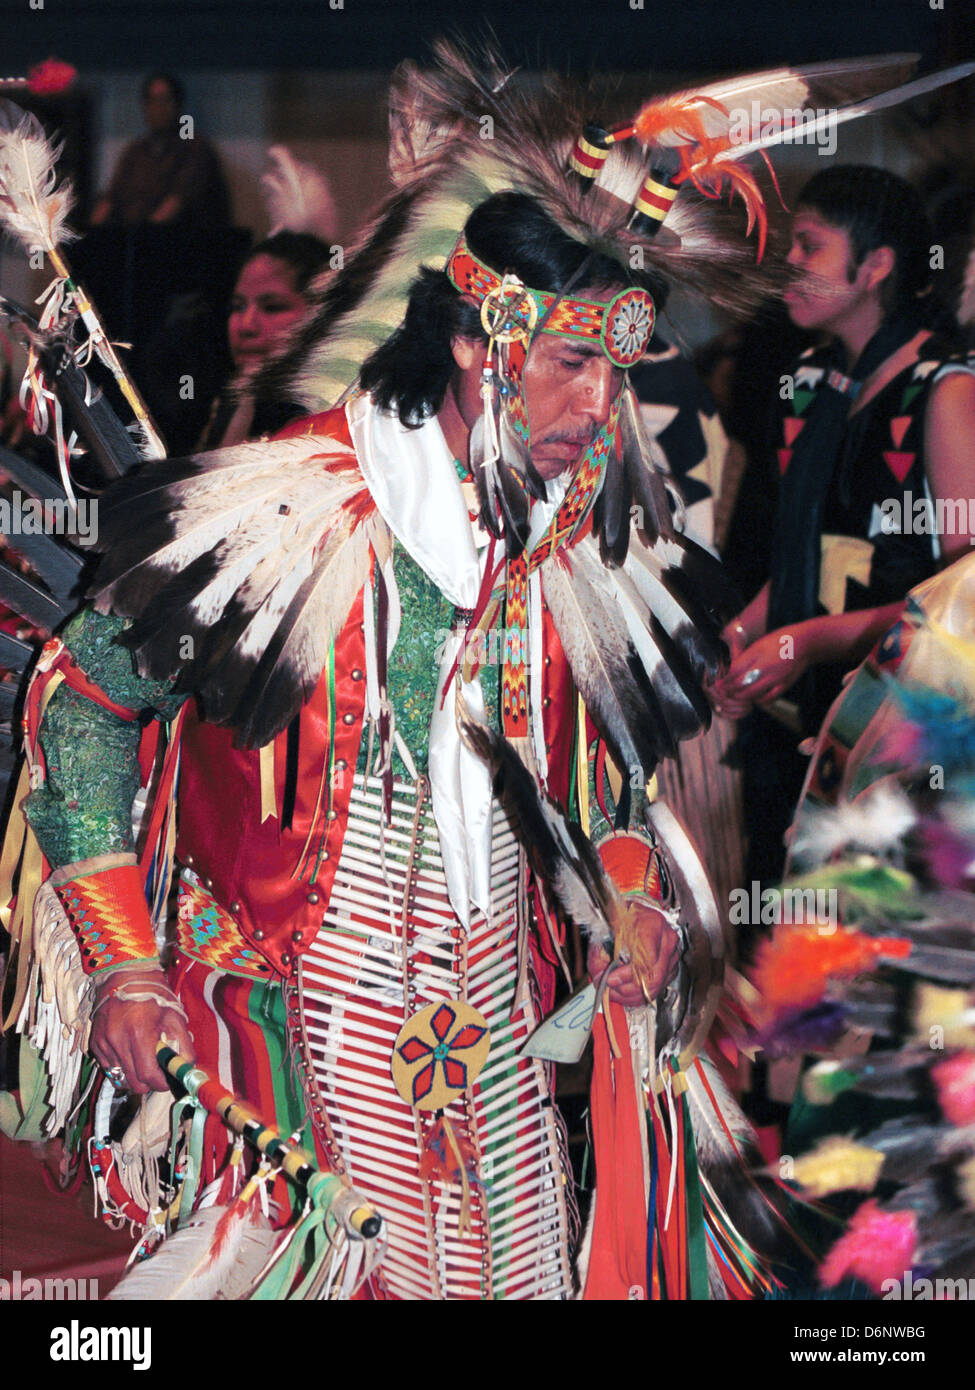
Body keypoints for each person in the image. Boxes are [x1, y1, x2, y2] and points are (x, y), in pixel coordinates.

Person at [3, 46, 852, 1301]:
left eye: (618, 371)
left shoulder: (572, 549)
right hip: (299, 1026)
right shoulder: (287, 515)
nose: (600, 407)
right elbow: (82, 702)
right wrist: (126, 958)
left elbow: (596, 786)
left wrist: (635, 897)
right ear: (478, 345)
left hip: (495, 1039)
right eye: (575, 363)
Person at [711, 166, 975, 884]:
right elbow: (810, 550)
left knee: (864, 950)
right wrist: (746, 628)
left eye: (809, 246)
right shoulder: (808, 383)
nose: (789, 265)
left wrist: (802, 640)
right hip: (809, 721)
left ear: (875, 266)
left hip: (909, 741)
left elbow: (963, 609)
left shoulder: (944, 391)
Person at [197, 231, 332, 449]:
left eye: (272, 307)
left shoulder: (334, 419)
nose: (246, 326)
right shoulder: (228, 402)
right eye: (238, 307)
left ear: (319, 317)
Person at [90, 73, 229, 230]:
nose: (158, 108)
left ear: (178, 105)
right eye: (151, 101)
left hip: (176, 242)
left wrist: (142, 236)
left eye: (164, 100)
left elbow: (178, 201)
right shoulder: (136, 150)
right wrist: (91, 234)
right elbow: (110, 198)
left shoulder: (194, 148)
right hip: (130, 239)